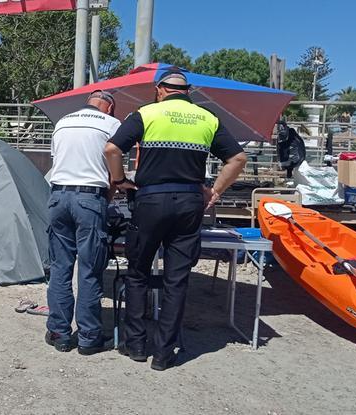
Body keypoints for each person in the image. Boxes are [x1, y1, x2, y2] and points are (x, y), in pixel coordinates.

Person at [103, 69, 247, 370]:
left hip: (150, 200)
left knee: (138, 272)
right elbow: (238, 159)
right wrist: (215, 192)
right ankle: (164, 354)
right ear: (188, 92)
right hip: (189, 202)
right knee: (176, 279)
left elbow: (112, 148)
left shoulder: (147, 113)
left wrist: (119, 180)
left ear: (160, 90)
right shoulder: (207, 118)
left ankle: (136, 345)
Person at [45, 90, 121, 355]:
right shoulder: (112, 125)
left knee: (60, 267)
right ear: (110, 108)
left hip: (58, 196)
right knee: (89, 270)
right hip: (90, 198)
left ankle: (59, 332)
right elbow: (115, 170)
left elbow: (58, 162)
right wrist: (107, 199)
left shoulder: (62, 122)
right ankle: (88, 337)